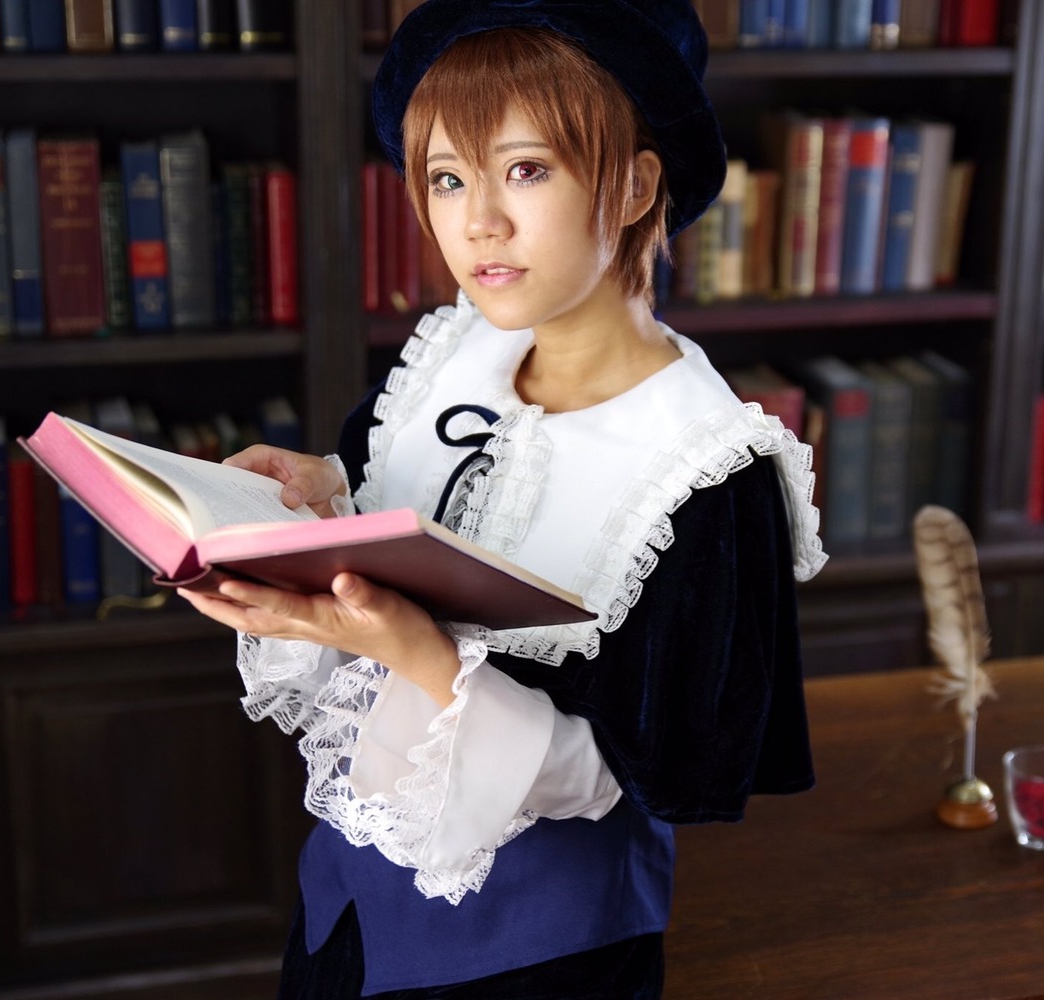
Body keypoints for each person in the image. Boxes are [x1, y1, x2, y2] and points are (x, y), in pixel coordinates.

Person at [178, 1, 827, 995]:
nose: (478, 220)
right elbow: (397, 494)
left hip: (540, 952)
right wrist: (320, 487)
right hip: (343, 906)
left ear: (635, 182)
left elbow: (637, 769)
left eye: (528, 169)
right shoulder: (456, 355)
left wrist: (417, 653)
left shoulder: (706, 468)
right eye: (446, 178)